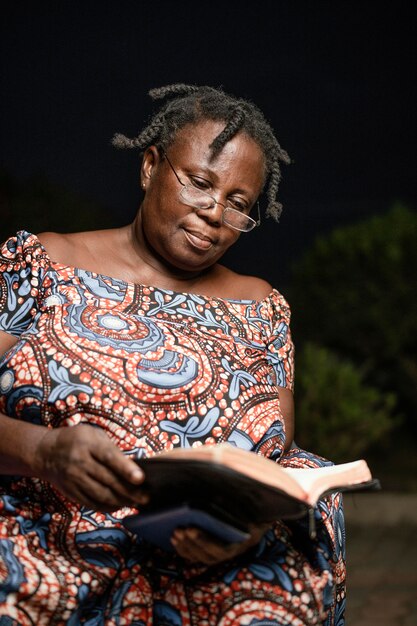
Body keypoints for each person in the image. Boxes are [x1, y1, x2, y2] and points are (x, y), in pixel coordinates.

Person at [0, 84, 345, 625]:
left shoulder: (262, 307)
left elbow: (274, 461)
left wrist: (244, 522)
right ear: (150, 166)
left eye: (238, 204)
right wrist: (45, 452)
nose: (214, 213)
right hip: (54, 542)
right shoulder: (42, 264)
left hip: (218, 559)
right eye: (200, 183)